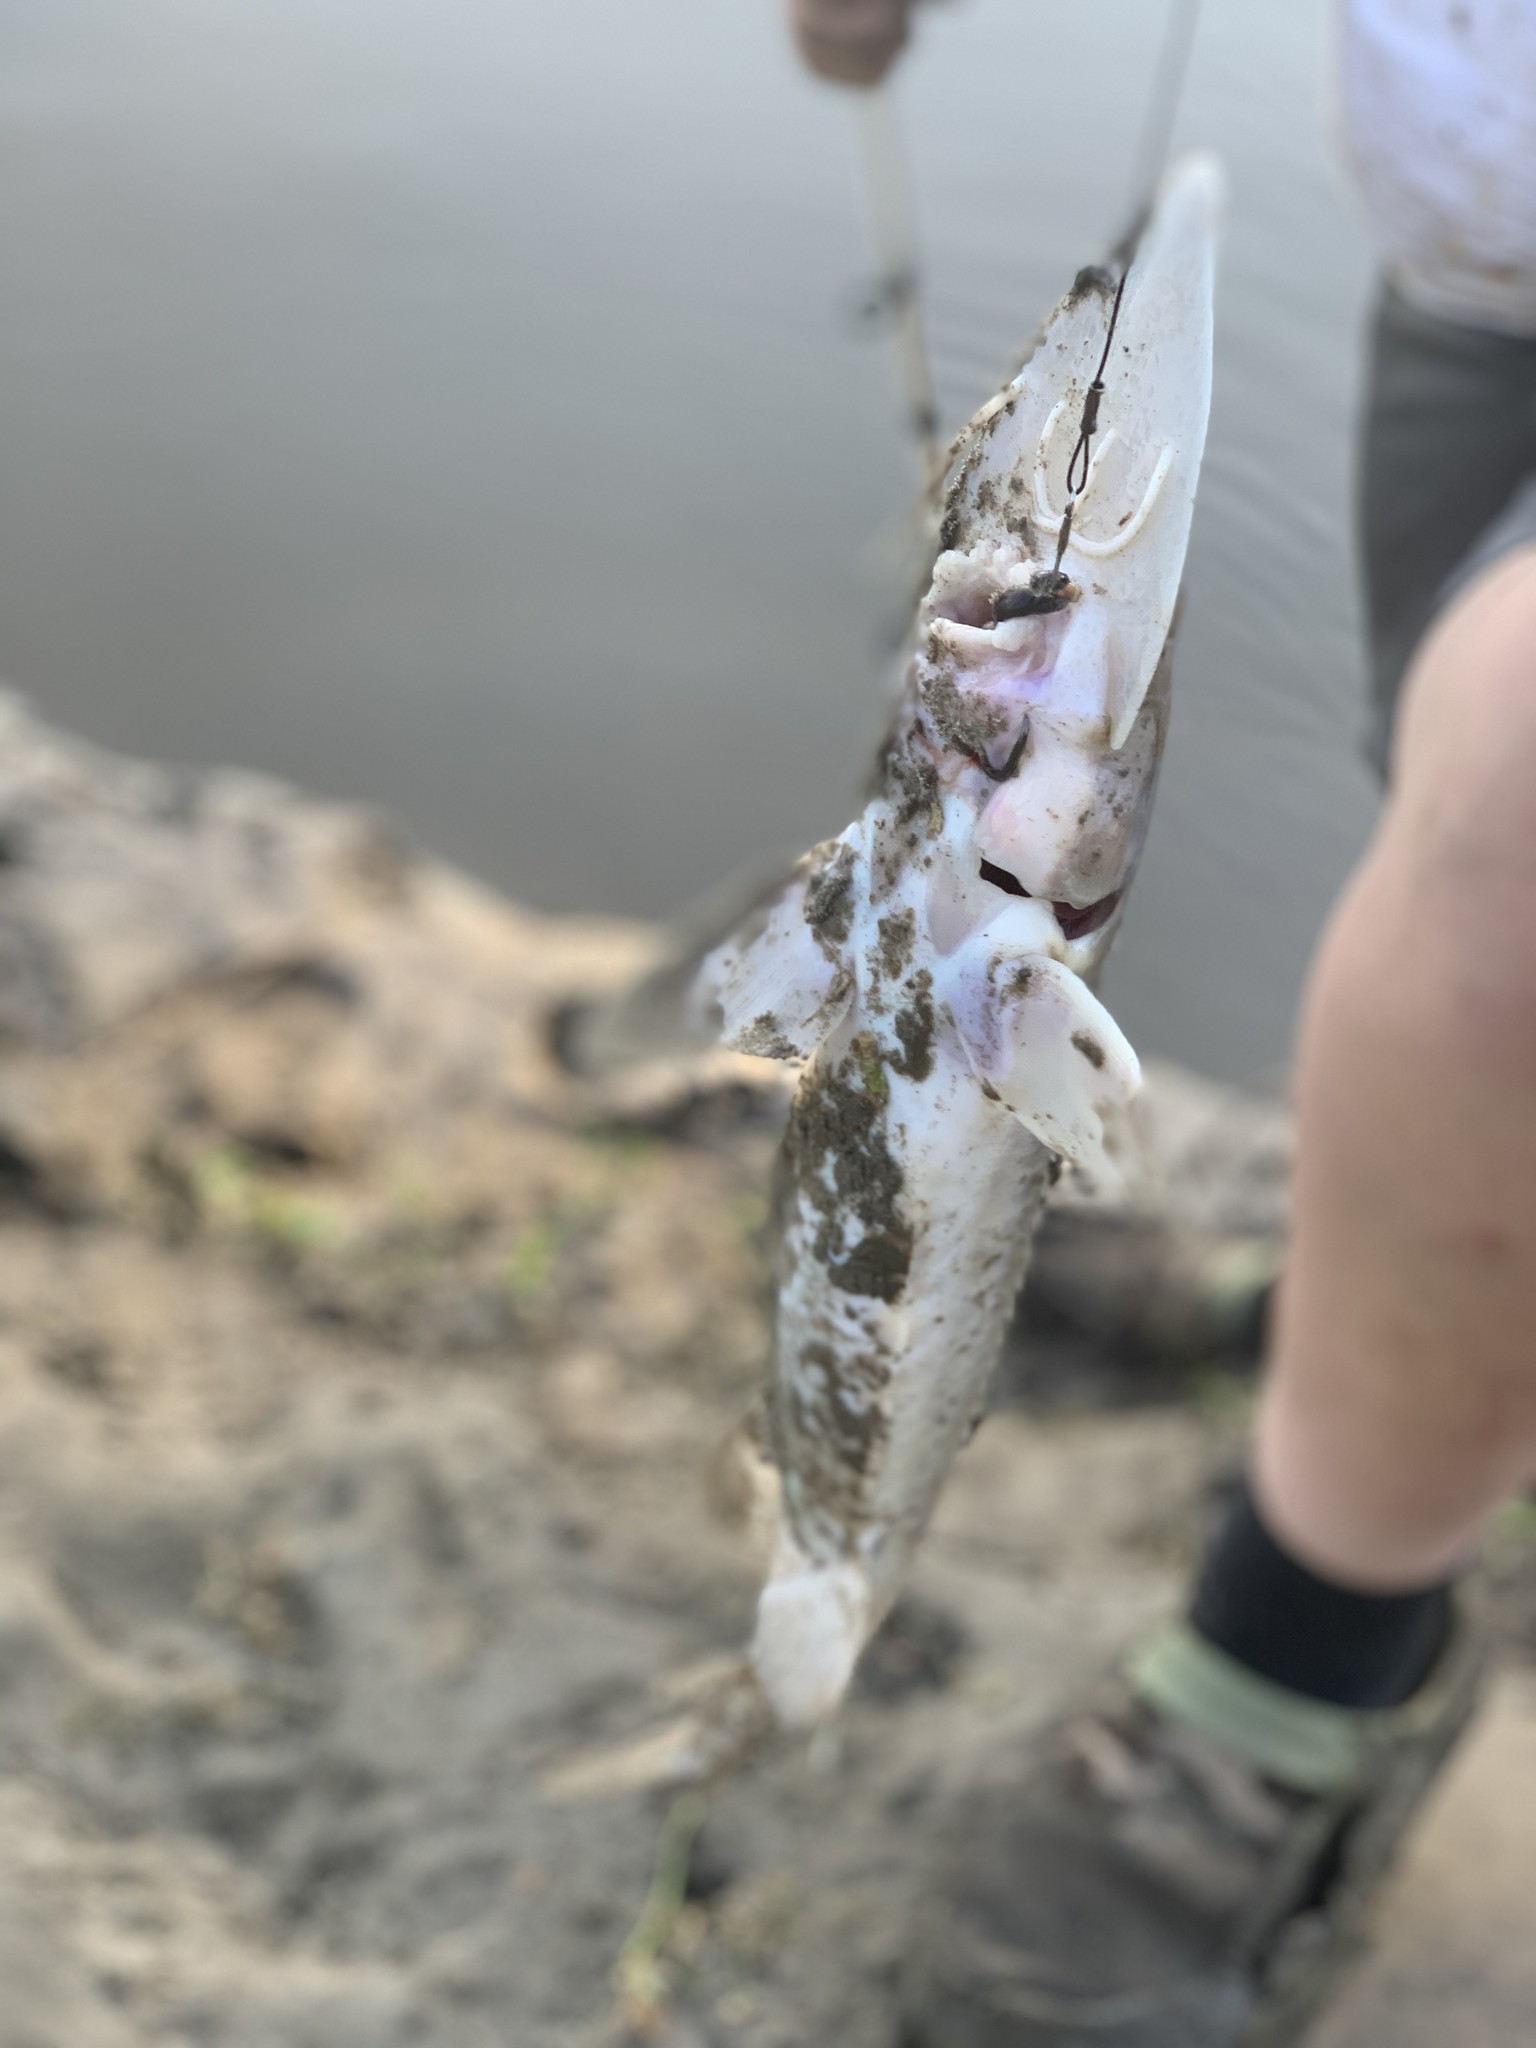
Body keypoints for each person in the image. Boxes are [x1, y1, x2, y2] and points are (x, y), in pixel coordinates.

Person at [791, 2, 1536, 2041]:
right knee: (1458, 870)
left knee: (1515, 812)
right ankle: (1389, 1315)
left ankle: (1295, 1662)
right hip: (1485, 250)